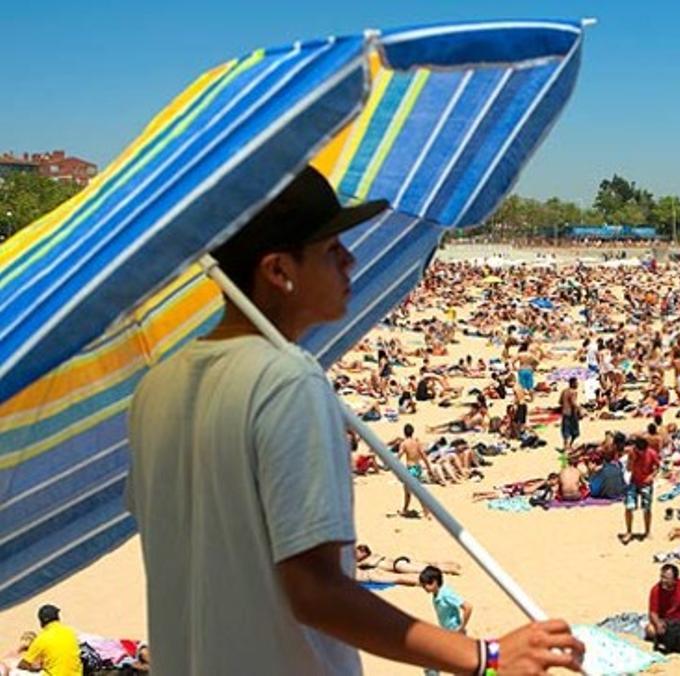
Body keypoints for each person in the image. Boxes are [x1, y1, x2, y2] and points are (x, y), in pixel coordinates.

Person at [125, 167, 582, 674]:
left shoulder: (156, 388)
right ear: (278, 271)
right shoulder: (286, 380)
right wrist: (485, 656)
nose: (351, 259)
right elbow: (313, 590)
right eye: (331, 249)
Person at [419, 567, 472, 676]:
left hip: (455, 636)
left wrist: (461, 628)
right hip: (445, 634)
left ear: (434, 582)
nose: (424, 588)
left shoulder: (446, 594)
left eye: (426, 585)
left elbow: (468, 607)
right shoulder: (436, 594)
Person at [15, 605, 82, 676]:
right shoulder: (70, 632)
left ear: (41, 622)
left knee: (16, 672)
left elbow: (22, 665)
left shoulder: (41, 639)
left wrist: (34, 669)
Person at [621, 437, 659, 544]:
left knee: (647, 508)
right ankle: (629, 531)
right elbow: (628, 469)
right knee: (629, 507)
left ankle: (647, 531)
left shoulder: (652, 453)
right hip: (634, 482)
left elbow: (658, 467)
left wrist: (652, 476)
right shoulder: (631, 453)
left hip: (646, 483)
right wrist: (632, 460)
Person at [393, 424, 434, 519]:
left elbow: (399, 455)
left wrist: (391, 464)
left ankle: (426, 511)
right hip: (418, 468)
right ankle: (405, 509)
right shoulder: (417, 443)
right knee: (408, 490)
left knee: (414, 491)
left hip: (410, 469)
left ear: (404, 432)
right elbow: (424, 456)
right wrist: (429, 468)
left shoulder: (404, 443)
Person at [560, 376, 582, 452]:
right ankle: (569, 446)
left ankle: (566, 446)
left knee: (565, 431)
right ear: (572, 383)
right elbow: (573, 403)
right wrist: (580, 410)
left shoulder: (564, 391)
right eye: (576, 383)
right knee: (574, 431)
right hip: (572, 413)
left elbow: (560, 402)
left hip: (564, 412)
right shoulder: (573, 392)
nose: (578, 384)